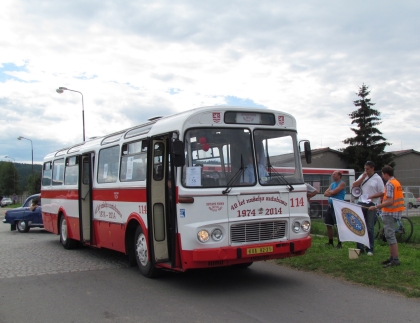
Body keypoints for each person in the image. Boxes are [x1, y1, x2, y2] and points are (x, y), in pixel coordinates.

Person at [369, 166, 404, 267]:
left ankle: (395, 259)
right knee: (390, 235)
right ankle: (392, 257)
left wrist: (376, 207)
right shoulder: (396, 182)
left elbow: (389, 201)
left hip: (390, 212)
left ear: (386, 174)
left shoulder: (389, 184)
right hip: (396, 211)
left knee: (390, 235)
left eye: (383, 174)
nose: (382, 176)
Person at [352, 161, 384, 256]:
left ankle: (370, 248)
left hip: (371, 203)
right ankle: (360, 247)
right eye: (365, 169)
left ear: (372, 168)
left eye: (368, 169)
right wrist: (362, 177)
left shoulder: (377, 178)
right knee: (359, 225)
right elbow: (354, 185)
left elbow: (382, 192)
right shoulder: (363, 176)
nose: (366, 170)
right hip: (361, 202)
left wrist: (371, 196)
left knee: (370, 227)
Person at [323, 171, 346, 248]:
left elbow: (335, 192)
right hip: (330, 206)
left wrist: (331, 192)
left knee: (338, 225)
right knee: (328, 224)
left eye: (335, 174)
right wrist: (331, 192)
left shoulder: (342, 183)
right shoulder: (332, 184)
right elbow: (325, 193)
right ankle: (330, 242)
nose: (333, 176)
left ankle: (340, 243)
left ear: (339, 176)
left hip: (337, 206)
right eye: (332, 175)